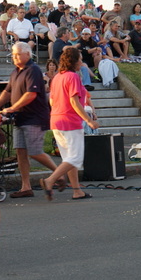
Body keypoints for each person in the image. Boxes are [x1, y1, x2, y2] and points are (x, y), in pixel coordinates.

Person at [0, 42, 60, 198]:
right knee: (20, 152)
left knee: (34, 152)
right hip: (20, 118)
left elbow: (31, 94)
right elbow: (7, 92)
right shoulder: (15, 72)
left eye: (17, 54)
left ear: (28, 54)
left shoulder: (33, 70)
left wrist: (13, 107)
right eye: (13, 54)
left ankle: (59, 174)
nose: (14, 57)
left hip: (34, 118)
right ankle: (25, 187)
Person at [38, 47, 99, 201]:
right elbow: (74, 101)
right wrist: (89, 120)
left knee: (69, 158)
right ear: (74, 61)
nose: (81, 62)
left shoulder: (57, 77)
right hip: (70, 122)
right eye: (80, 59)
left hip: (56, 120)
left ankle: (77, 191)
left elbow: (52, 101)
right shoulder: (73, 77)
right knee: (76, 158)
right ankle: (50, 181)